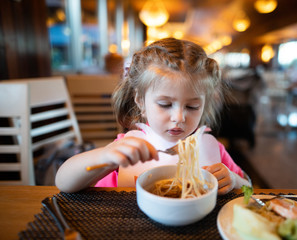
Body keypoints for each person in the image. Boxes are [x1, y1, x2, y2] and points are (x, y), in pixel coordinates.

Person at [55, 38, 251, 194]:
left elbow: (248, 189)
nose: (179, 117)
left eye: (192, 106)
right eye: (165, 104)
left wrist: (234, 181)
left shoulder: (211, 149)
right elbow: (63, 182)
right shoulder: (128, 149)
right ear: (140, 101)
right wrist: (105, 156)